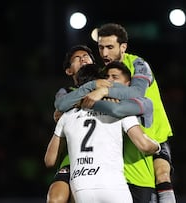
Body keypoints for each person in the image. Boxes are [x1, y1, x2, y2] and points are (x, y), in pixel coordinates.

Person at [55, 23, 176, 203]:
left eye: (110, 47)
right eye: (101, 47)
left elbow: (136, 93)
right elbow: (66, 102)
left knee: (162, 175)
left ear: (123, 47)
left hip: (154, 135)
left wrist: (103, 91)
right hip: (126, 138)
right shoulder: (103, 73)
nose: (104, 54)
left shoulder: (138, 64)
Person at [45, 64, 161, 203]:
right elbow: (144, 145)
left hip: (82, 187)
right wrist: (158, 147)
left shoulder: (67, 115)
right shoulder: (118, 107)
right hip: (113, 186)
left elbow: (50, 160)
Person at [47, 45, 96, 203]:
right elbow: (61, 104)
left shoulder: (106, 85)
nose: (82, 58)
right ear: (69, 71)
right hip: (71, 159)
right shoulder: (65, 92)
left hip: (100, 159)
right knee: (55, 199)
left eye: (86, 56)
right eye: (77, 58)